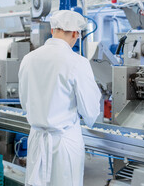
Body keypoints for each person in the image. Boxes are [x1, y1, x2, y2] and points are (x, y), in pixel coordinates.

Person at [18, 10, 101, 186]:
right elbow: (91, 111)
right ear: (75, 33)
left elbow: (24, 102)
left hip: (37, 140)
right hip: (64, 144)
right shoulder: (77, 62)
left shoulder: (28, 59)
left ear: (52, 29)